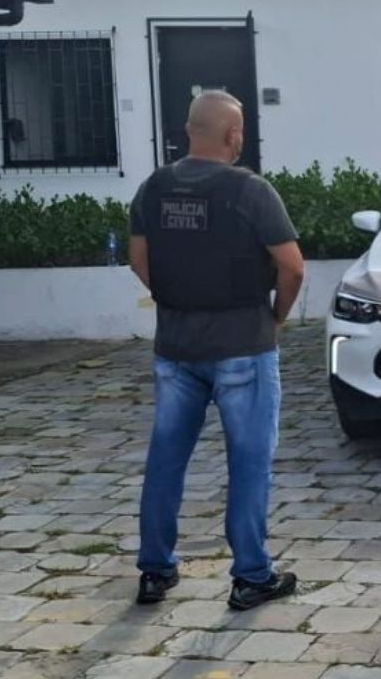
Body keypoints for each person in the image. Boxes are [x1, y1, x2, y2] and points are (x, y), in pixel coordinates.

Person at [128, 90, 304, 610]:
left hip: (175, 346)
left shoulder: (153, 188)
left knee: (166, 459)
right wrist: (276, 317)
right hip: (243, 344)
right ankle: (251, 575)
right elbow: (292, 267)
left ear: (189, 130)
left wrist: (176, 298)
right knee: (249, 463)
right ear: (233, 135)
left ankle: (155, 570)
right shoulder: (250, 191)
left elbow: (138, 259)